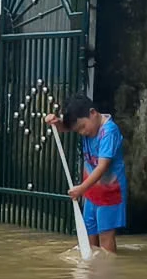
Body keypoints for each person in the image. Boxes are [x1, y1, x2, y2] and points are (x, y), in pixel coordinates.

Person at [49, 93, 126, 253]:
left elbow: (102, 167)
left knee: (105, 234)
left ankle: (106, 271)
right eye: (78, 130)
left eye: (83, 127)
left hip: (110, 192)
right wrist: (56, 122)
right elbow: (66, 127)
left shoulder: (109, 131)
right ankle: (92, 270)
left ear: (93, 113)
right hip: (91, 192)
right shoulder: (89, 127)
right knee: (89, 230)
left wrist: (81, 189)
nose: (82, 132)